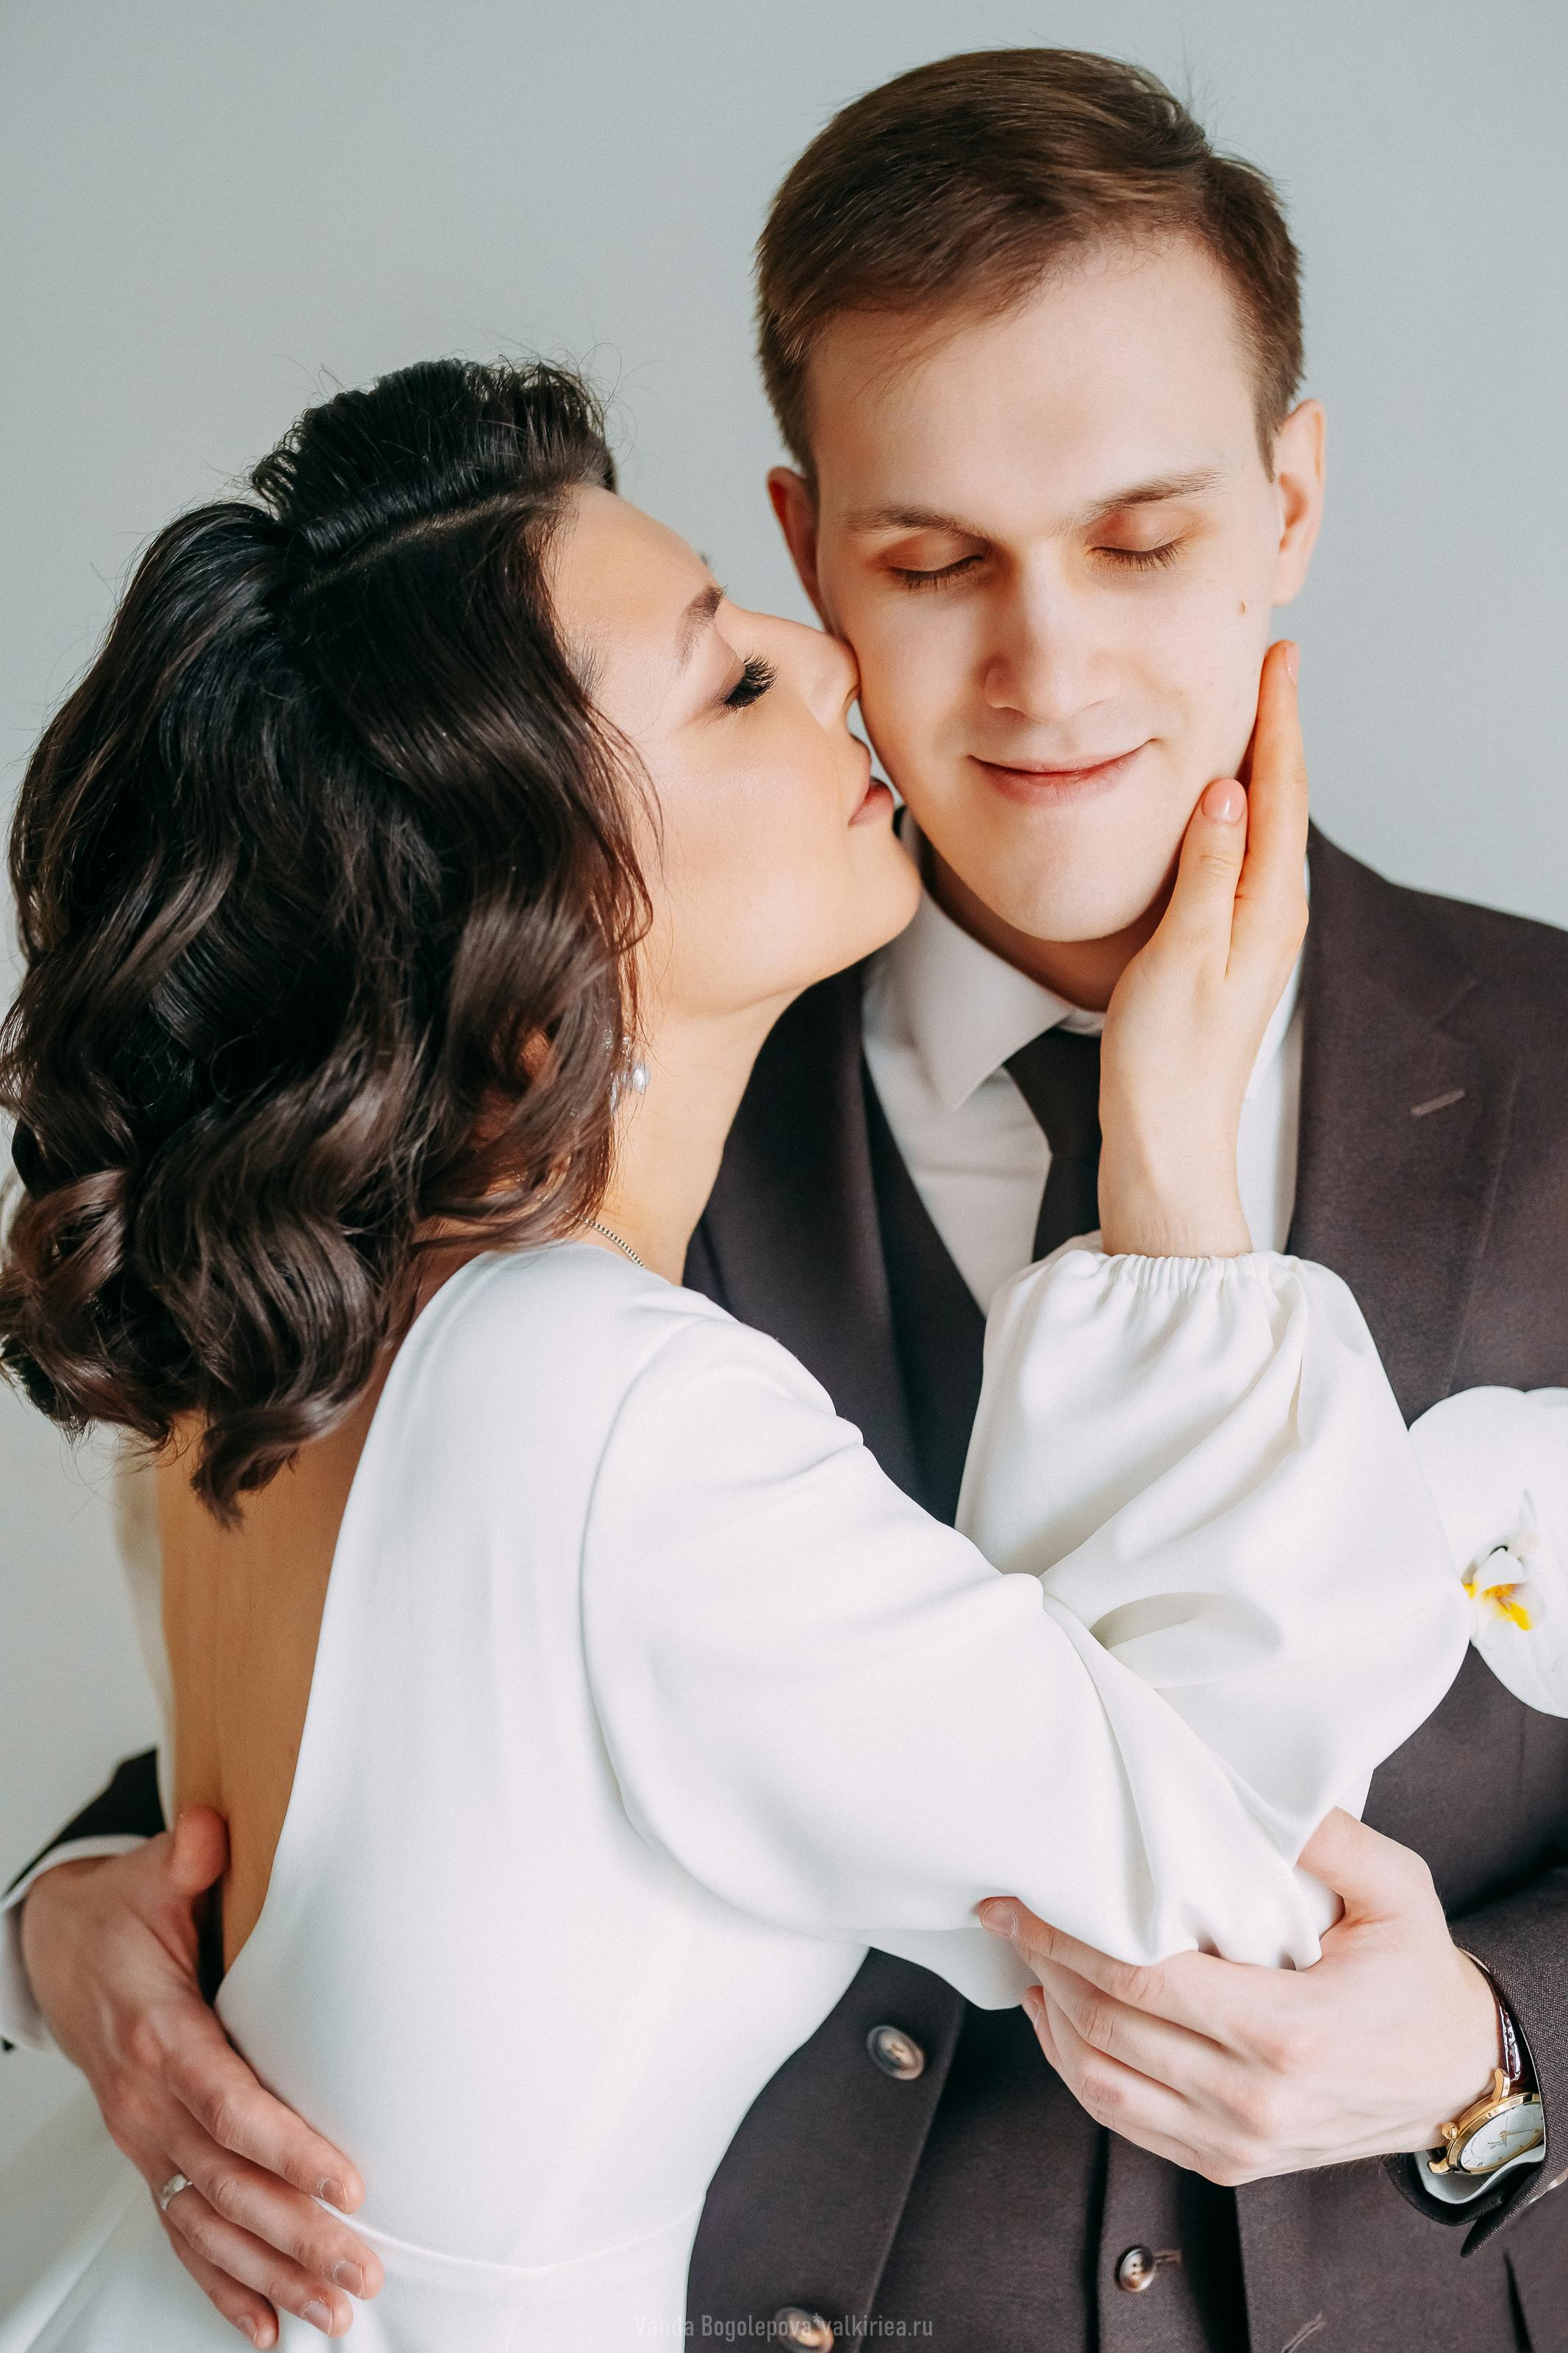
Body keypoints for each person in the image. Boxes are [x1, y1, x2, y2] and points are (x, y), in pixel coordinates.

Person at [7, 45, 1568, 2353]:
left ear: (1288, 505)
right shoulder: (542, 1182)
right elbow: (372, 1752)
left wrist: (1492, 2069)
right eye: (927, 563)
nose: (1044, 671)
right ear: (815, 541)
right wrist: (61, 1921)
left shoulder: (1547, 1068)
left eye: (1141, 540)